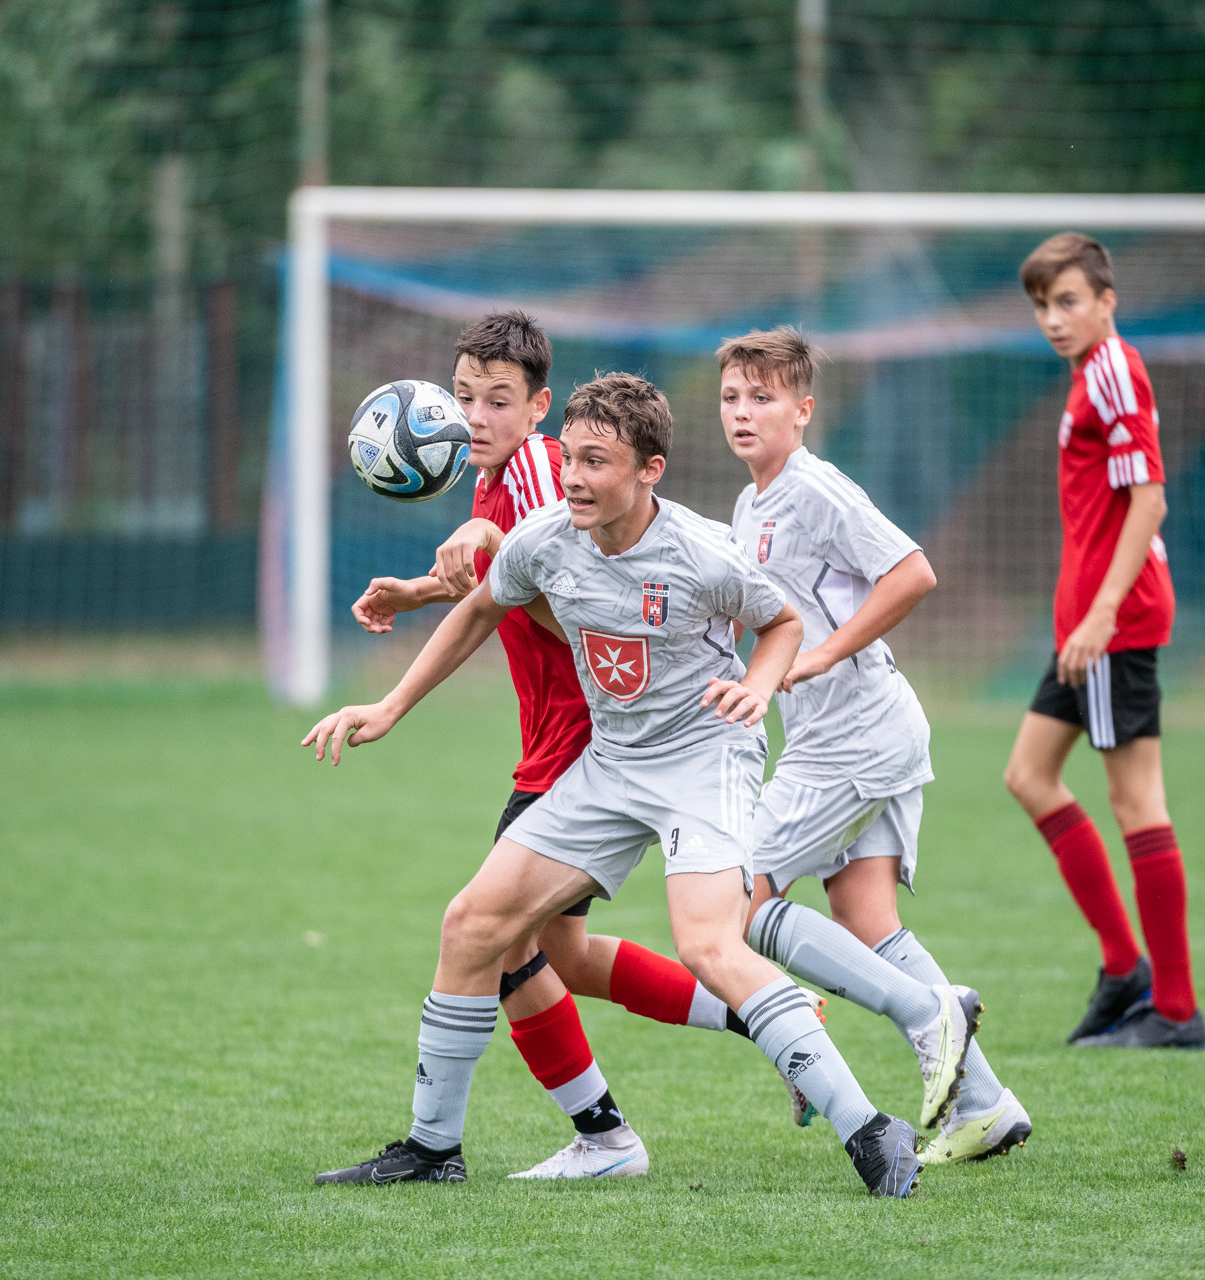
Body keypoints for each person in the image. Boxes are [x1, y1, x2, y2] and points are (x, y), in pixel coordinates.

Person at [305, 372, 921, 1196]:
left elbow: (781, 622)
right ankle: (432, 1148)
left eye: (596, 461)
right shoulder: (547, 537)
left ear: (649, 470)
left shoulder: (702, 550)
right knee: (472, 924)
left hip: (704, 759)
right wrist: (390, 705)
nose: (573, 477)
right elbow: (482, 607)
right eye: (568, 457)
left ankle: (872, 1130)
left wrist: (759, 684)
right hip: (612, 764)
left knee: (709, 944)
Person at [719, 326, 1034, 1164]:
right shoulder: (750, 505)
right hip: (861, 733)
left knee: (733, 904)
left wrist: (825, 653)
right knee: (865, 919)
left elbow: (912, 572)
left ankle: (910, 1012)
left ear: (803, 409)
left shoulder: (815, 489)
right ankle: (986, 1105)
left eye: (762, 397)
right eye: (731, 397)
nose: (743, 412)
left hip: (852, 740)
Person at [1000, 233, 1205, 1049]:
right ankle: (1124, 968)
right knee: (1028, 775)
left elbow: (1149, 501)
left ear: (1106, 301)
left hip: (1111, 625)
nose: (1053, 319)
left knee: (1136, 802)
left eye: (1068, 302)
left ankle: (1176, 1010)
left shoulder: (1115, 368)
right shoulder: (1090, 374)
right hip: (1085, 627)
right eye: (1042, 306)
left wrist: (1103, 615)